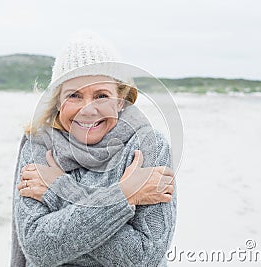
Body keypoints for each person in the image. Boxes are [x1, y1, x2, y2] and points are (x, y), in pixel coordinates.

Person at [10, 32, 177, 267]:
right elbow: (37, 249)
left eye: (101, 95)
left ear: (120, 101)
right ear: (58, 101)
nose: (88, 110)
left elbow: (145, 256)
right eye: (74, 95)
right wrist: (125, 195)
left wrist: (58, 190)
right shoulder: (39, 144)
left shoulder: (149, 147)